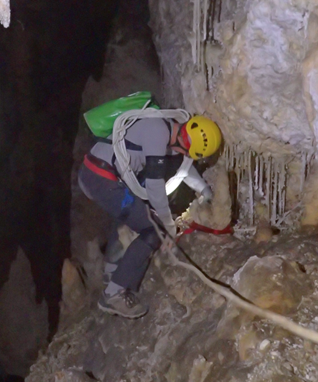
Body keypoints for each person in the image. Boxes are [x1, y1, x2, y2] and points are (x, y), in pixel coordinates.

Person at [78, 113, 222, 318]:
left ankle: (113, 272)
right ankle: (113, 294)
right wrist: (167, 224)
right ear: (185, 141)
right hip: (101, 178)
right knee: (153, 231)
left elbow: (184, 168)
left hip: (95, 174)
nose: (185, 154)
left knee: (132, 214)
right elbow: (154, 185)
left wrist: (206, 192)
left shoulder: (167, 126)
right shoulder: (158, 131)